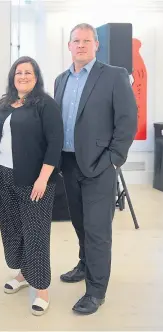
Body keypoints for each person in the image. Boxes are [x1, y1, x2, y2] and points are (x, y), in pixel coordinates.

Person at [54, 23, 137, 315]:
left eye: (86, 41)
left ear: (96, 45)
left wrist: (114, 158)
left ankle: (96, 291)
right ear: (69, 45)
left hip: (100, 165)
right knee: (79, 223)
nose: (80, 45)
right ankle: (85, 263)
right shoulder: (60, 80)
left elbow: (128, 120)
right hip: (69, 163)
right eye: (75, 40)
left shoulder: (114, 75)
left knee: (98, 230)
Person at [0, 56, 64, 316]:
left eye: (28, 72)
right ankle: (24, 274)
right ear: (13, 76)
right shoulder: (5, 103)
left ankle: (42, 289)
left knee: (35, 233)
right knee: (13, 229)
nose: (23, 76)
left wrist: (44, 178)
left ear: (36, 77)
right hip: (3, 174)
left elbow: (55, 143)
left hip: (34, 179)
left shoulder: (46, 105)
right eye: (18, 72)